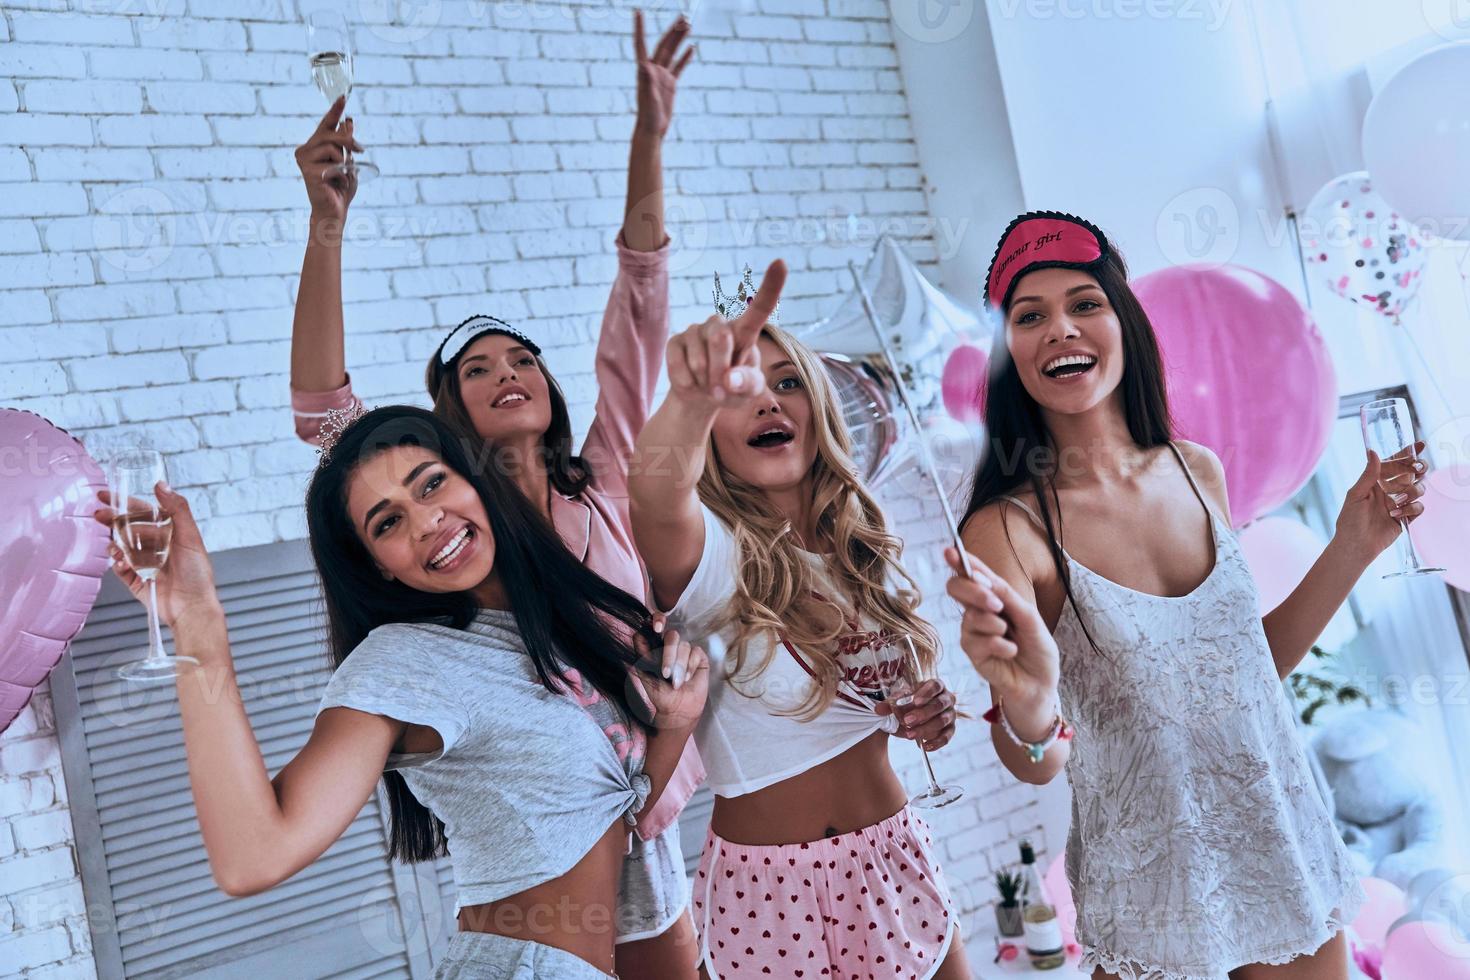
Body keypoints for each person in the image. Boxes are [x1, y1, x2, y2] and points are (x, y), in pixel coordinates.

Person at [287, 13, 705, 974]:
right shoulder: (446, 515)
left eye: (524, 358)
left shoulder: (602, 481)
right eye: (478, 367)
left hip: (650, 802)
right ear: (448, 415)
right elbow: (324, 415)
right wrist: (327, 226)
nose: (508, 370)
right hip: (546, 843)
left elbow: (640, 296)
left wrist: (649, 136)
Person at [950, 210, 1427, 980]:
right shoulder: (1006, 532)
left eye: (1085, 304)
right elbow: (1033, 759)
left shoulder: (1197, 469)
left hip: (1282, 850)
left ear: (1123, 321)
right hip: (1152, 899)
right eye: (1030, 317)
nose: (1061, 330)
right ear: (1009, 355)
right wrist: (1028, 701)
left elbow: (1243, 673)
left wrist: (1353, 547)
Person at [96, 405, 709, 978]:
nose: (425, 522)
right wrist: (199, 623)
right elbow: (253, 857)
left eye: (432, 484)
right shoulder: (405, 661)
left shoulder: (559, 618)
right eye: (388, 521)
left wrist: (675, 724)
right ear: (378, 563)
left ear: (476, 481)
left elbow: (608, 815)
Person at [628, 261, 972, 979]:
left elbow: (878, 712)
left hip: (897, 852)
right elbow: (655, 491)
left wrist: (929, 714)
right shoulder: (707, 554)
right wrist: (690, 398)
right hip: (772, 892)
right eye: (742, 389)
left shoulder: (858, 550)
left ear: (818, 404)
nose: (767, 401)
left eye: (787, 382)